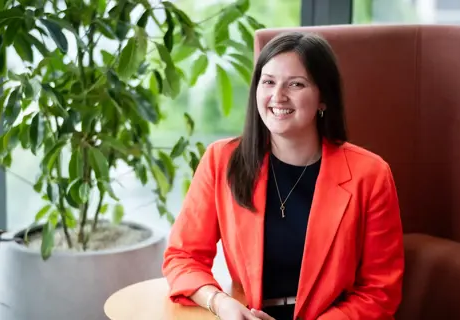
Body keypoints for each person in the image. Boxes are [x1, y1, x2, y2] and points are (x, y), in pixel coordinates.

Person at [162, 31, 404, 320]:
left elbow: (380, 291)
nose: (278, 96)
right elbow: (183, 256)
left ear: (323, 98)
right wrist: (221, 303)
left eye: (296, 84)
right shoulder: (221, 160)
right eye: (268, 82)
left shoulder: (371, 174)